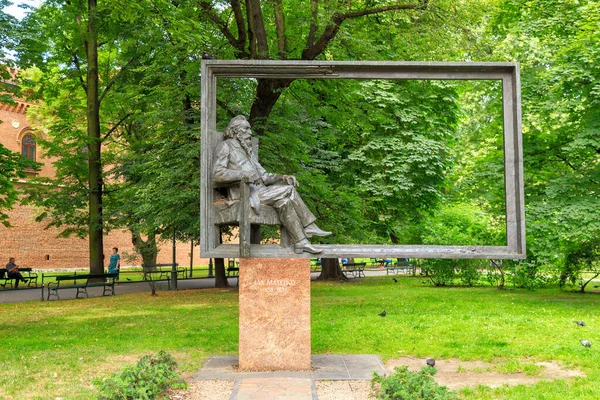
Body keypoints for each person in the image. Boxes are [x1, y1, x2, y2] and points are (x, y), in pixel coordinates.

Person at [213, 115, 331, 254]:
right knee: (289, 190)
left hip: (260, 192)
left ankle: (301, 242)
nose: (250, 133)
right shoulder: (226, 146)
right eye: (246, 129)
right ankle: (308, 225)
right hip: (244, 194)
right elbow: (217, 173)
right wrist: (243, 175)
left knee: (285, 202)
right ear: (236, 130)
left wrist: (283, 177)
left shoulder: (248, 152)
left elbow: (264, 176)